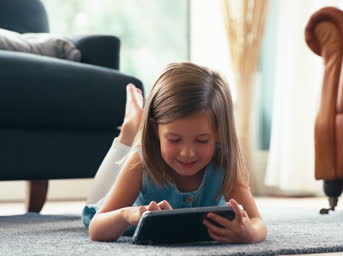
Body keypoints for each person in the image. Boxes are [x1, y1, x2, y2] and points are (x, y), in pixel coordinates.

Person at [82, 62, 267, 244]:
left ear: (218, 133)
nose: (187, 153)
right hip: (111, 209)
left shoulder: (224, 164)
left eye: (202, 140)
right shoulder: (139, 163)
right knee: (101, 193)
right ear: (155, 129)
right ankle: (130, 128)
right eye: (174, 140)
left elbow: (257, 223)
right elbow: (97, 228)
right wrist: (127, 213)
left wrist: (249, 233)